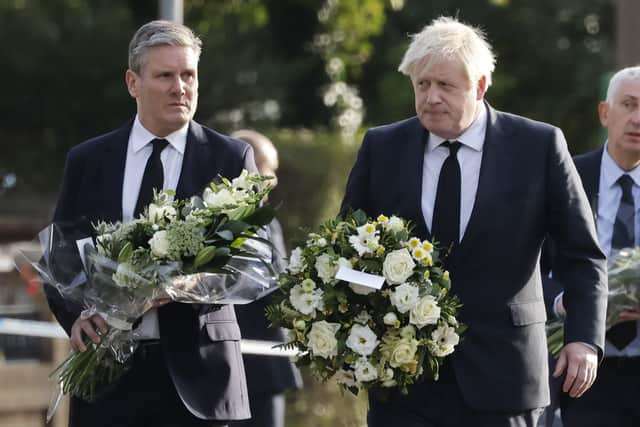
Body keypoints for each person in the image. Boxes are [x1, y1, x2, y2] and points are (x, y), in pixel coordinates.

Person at [340, 16, 607, 427]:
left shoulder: (538, 146)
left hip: (504, 376)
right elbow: (347, 250)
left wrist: (584, 338)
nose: (430, 97)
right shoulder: (382, 147)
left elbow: (582, 255)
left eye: (445, 85)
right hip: (403, 380)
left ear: (480, 86)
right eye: (422, 84)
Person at [44, 20, 255, 427]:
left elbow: (250, 264)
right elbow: (61, 258)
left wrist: (196, 284)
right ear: (132, 82)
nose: (180, 87)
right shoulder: (88, 161)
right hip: (106, 377)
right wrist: (76, 316)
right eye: (165, 75)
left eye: (188, 75)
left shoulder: (230, 159)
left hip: (199, 378)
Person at [543, 66, 640, 427]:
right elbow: (526, 265)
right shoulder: (566, 178)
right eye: (628, 104)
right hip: (580, 371)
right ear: (605, 113)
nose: (637, 119)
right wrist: (561, 300)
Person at [229, 129, 303, 427]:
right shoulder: (218, 219)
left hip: (265, 362)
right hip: (234, 362)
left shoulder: (267, 218)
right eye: (267, 168)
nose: (273, 178)